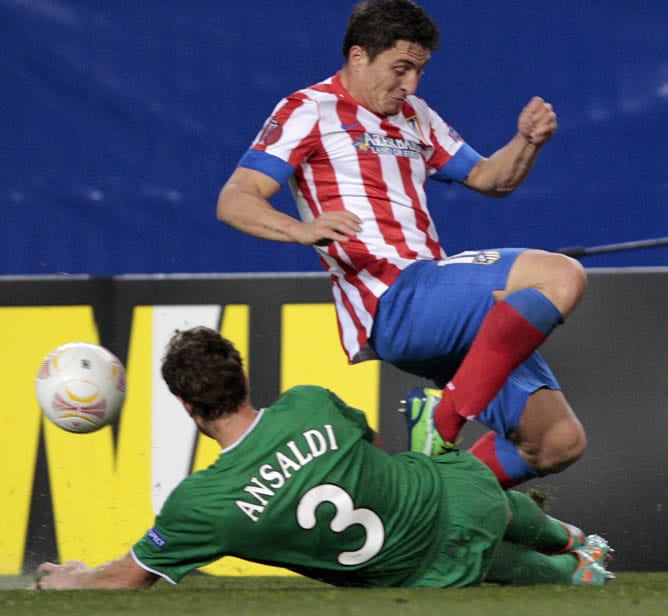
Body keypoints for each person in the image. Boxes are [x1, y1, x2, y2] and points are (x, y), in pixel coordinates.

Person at [216, 0, 588, 488]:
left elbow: (488, 178)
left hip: (438, 300)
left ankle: (428, 504)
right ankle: (444, 421)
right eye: (401, 68)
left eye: (419, 70)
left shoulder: (415, 115)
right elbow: (235, 198)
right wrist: (300, 229)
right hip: (391, 299)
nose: (411, 83)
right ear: (358, 56)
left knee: (557, 441)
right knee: (560, 275)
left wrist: (527, 143)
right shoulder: (309, 109)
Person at [33, 327, 613, 591]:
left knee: (540, 578)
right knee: (493, 506)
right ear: (244, 376)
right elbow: (375, 453)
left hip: (422, 566)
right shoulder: (309, 403)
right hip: (454, 489)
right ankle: (571, 537)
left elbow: (126, 578)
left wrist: (72, 579)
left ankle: (581, 570)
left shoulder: (199, 506)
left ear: (186, 406)